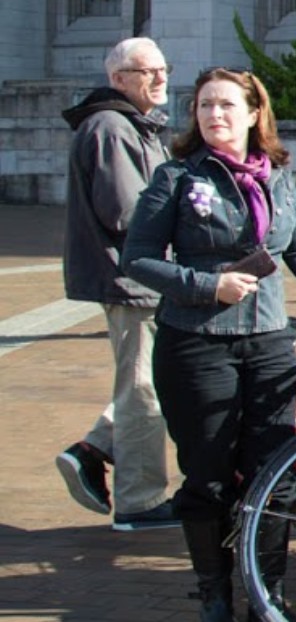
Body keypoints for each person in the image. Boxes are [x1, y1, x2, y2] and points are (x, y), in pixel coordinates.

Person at [124, 67, 296, 622]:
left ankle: (267, 591)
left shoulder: (277, 175)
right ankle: (214, 593)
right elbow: (137, 257)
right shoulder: (177, 176)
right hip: (197, 344)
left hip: (270, 344)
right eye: (205, 105)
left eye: (227, 105)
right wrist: (208, 285)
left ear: (255, 113)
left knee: (274, 475)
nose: (214, 116)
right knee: (207, 476)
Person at [57, 37, 177, 531]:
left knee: (155, 381)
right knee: (144, 389)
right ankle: (141, 502)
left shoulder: (135, 125)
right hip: (133, 279)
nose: (160, 78)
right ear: (118, 78)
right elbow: (128, 212)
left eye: (163, 68)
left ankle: (93, 448)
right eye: (146, 70)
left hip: (144, 278)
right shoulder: (112, 127)